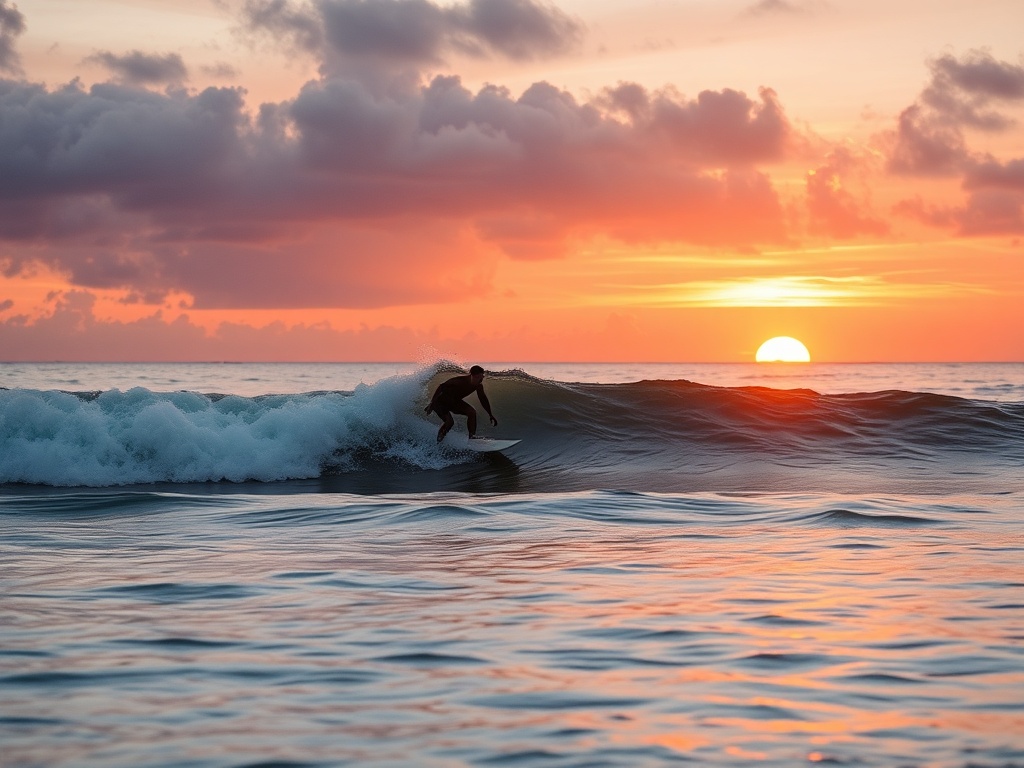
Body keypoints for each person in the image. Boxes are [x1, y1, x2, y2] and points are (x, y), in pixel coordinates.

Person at [425, 365, 498, 443]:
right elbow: (441, 387)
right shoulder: (459, 381)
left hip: (454, 402)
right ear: (474, 376)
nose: (482, 378)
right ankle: (438, 442)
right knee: (449, 422)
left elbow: (483, 399)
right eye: (481, 376)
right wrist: (432, 403)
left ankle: (472, 437)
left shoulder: (478, 386)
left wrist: (490, 414)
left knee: (471, 412)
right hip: (440, 402)